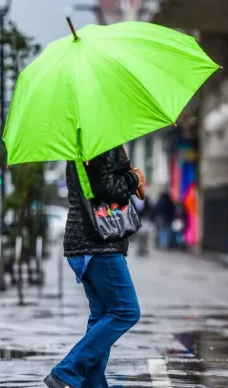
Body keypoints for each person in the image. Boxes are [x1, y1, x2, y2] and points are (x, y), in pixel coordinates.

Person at [44, 145, 145, 388]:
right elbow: (105, 188)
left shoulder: (80, 145)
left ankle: (93, 384)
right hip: (100, 243)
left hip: (83, 243)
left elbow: (97, 183)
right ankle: (67, 371)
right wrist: (133, 178)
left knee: (101, 315)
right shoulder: (101, 143)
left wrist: (129, 176)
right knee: (126, 310)